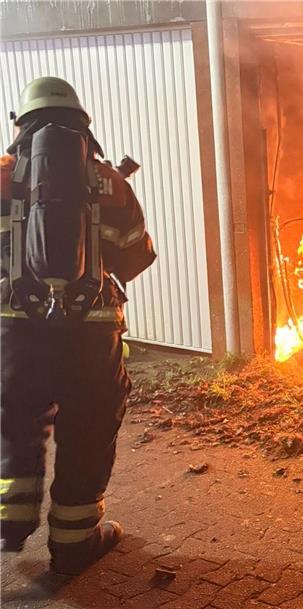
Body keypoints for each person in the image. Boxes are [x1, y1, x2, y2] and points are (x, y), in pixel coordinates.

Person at [0, 77, 156, 575]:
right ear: (83, 124)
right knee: (88, 433)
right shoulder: (109, 181)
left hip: (14, 337)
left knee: (13, 425)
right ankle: (73, 543)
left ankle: (8, 521)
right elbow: (134, 258)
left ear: (21, 124)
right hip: (92, 339)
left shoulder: (1, 175)